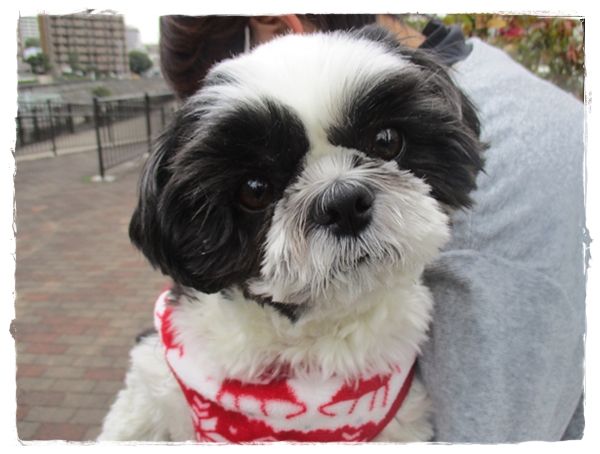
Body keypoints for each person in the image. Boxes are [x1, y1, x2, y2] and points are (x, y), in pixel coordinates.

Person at [157, 14, 586, 442]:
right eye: (257, 192)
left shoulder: (507, 196)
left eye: (385, 145)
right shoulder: (167, 378)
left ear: (279, 24)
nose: (343, 203)